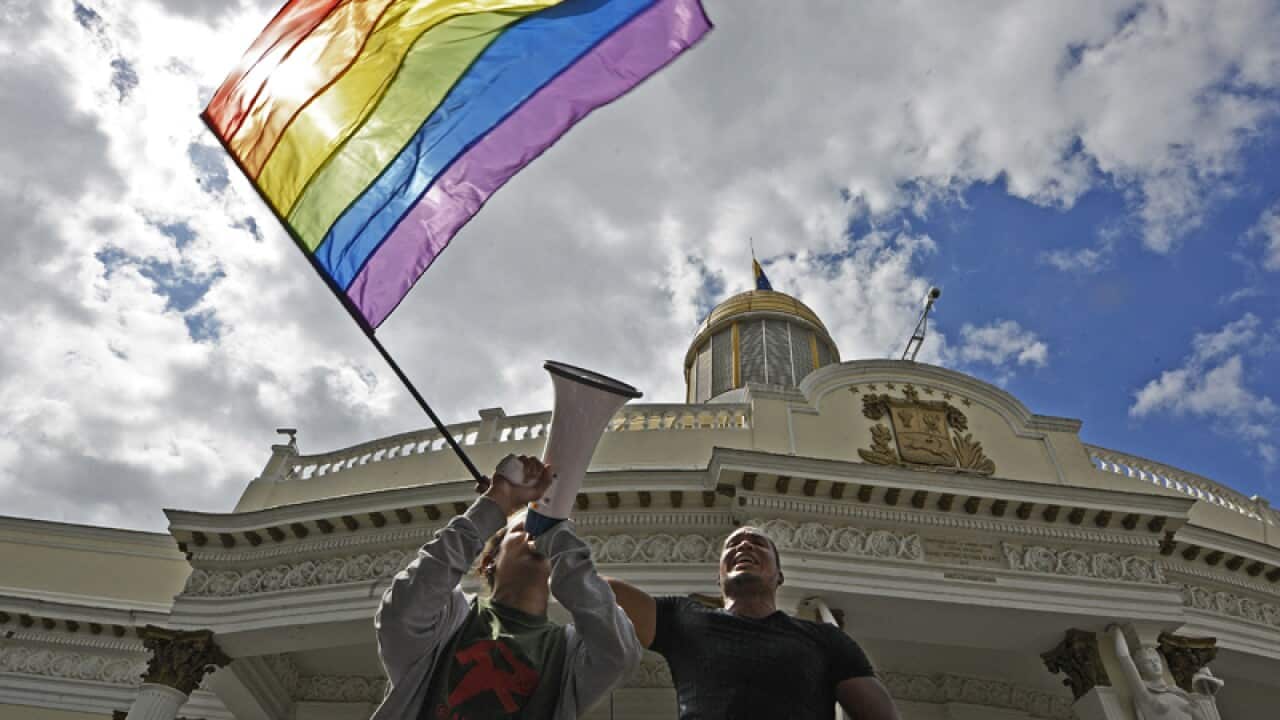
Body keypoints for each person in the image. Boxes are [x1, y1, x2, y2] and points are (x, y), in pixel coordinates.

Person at [372, 454, 642, 719]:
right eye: (524, 528)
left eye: (546, 530)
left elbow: (618, 657)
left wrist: (563, 546)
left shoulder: (567, 651)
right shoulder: (450, 618)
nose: (537, 535)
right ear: (490, 561)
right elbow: (401, 611)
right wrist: (497, 500)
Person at [607, 526, 901, 720]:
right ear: (719, 576)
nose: (744, 544)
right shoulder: (684, 619)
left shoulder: (826, 639)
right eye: (732, 544)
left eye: (758, 543)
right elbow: (594, 591)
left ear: (780, 575)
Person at [1107, 625, 1223, 720]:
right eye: (1148, 662)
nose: (1154, 664)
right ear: (1140, 669)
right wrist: (1115, 631)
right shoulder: (1145, 695)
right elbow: (1124, 658)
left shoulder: (1176, 692)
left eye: (1156, 660)